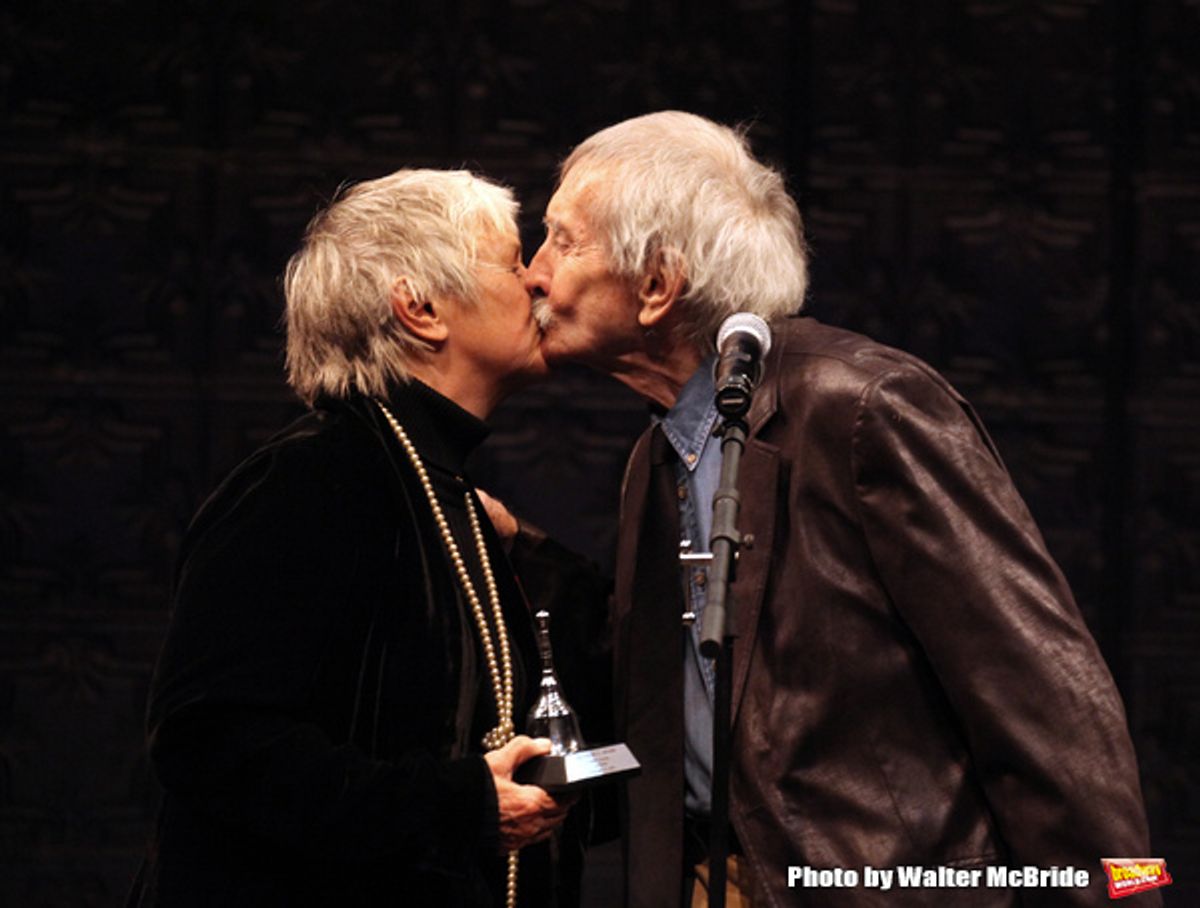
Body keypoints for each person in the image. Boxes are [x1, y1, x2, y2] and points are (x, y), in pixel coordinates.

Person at [516, 111, 1159, 906]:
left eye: (562, 240)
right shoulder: (655, 456)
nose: (534, 273)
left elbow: (1049, 708)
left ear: (656, 285)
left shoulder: (861, 409)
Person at [129, 169, 578, 907]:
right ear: (420, 307)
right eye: (511, 262)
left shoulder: (443, 491)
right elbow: (209, 740)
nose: (535, 282)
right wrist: (455, 804)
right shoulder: (314, 476)